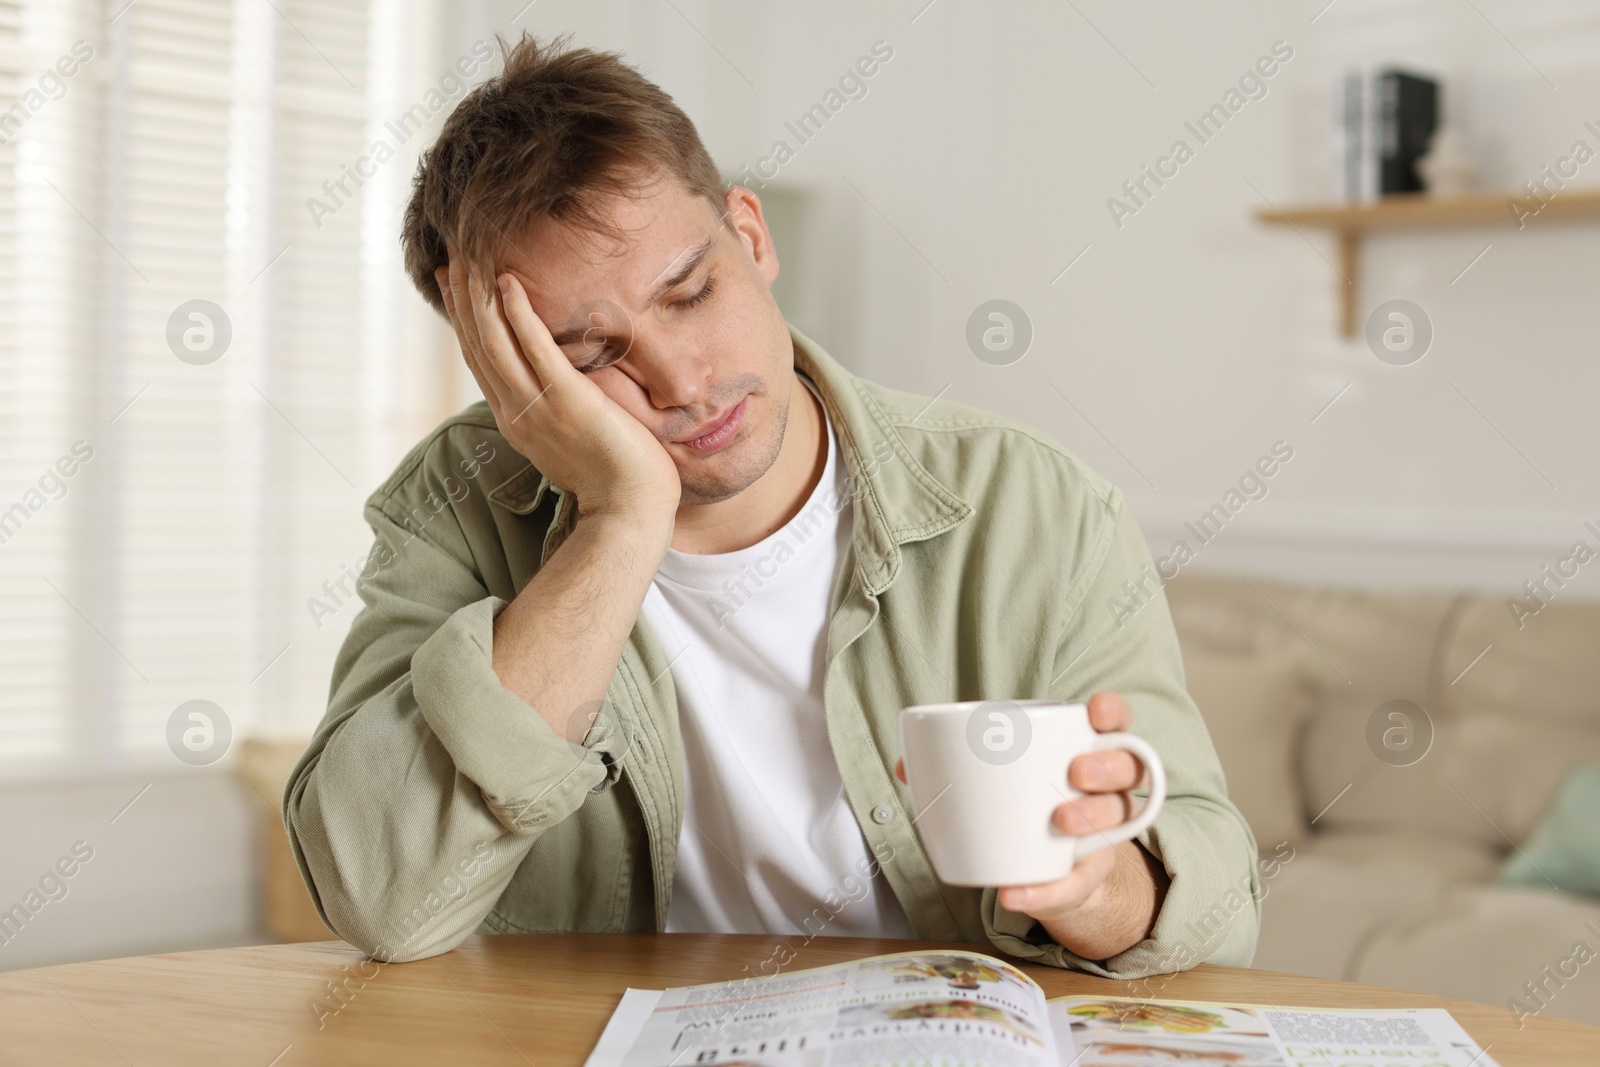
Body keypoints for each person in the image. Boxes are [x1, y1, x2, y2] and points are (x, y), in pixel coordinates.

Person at [282, 31, 1260, 978]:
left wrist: (1096, 891)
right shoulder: (454, 507)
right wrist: (619, 521)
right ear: (508, 372)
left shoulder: (1033, 506)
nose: (679, 380)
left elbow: (1218, 905)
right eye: (588, 357)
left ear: (750, 234)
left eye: (690, 291)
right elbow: (380, 896)